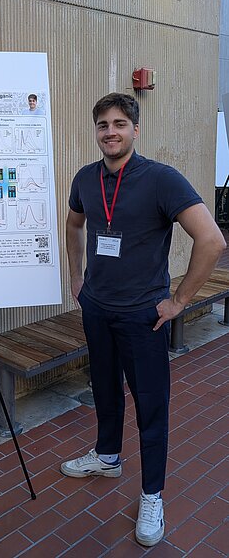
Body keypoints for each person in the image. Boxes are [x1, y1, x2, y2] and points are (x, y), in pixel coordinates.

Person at [62, 92, 226, 547]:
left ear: (135, 129)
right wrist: (77, 277)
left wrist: (180, 301)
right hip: (98, 308)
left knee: (151, 406)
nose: (110, 132)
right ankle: (107, 456)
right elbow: (74, 225)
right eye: (103, 125)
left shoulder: (161, 180)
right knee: (105, 389)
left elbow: (212, 241)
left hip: (143, 317)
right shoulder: (85, 178)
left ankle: (152, 494)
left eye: (119, 123)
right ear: (96, 131)